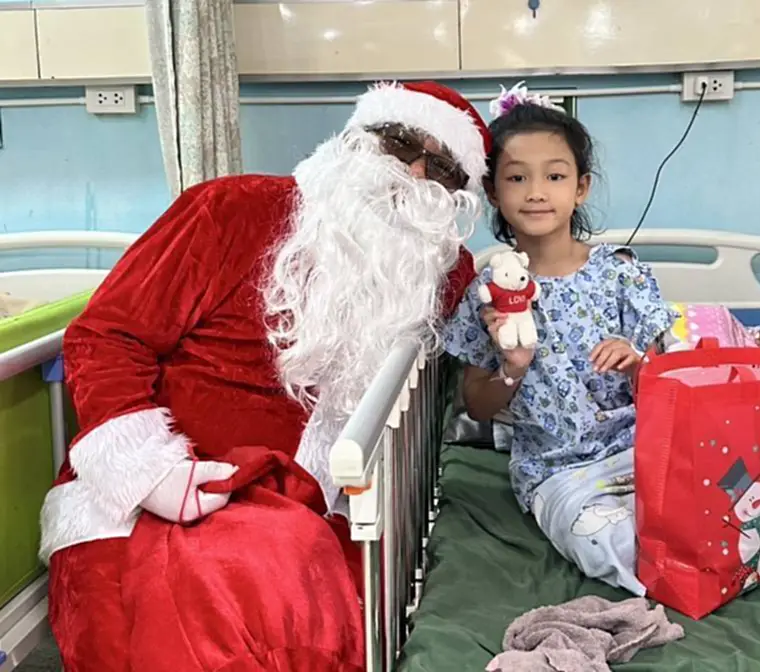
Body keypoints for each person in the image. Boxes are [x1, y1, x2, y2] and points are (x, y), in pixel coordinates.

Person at [39, 80, 490, 671]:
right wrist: (151, 472)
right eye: (399, 141)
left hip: (312, 506)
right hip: (161, 486)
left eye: (444, 170)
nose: (413, 170)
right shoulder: (229, 209)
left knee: (310, 622)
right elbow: (105, 336)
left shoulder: (440, 271)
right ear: (357, 139)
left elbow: (479, 364)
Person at [443, 83, 677, 596]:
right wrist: (512, 368)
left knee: (724, 501)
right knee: (607, 542)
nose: (536, 192)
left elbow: (671, 383)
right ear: (493, 193)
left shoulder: (621, 274)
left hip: (645, 449)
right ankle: (670, 579)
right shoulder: (486, 295)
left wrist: (638, 364)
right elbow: (476, 405)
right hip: (559, 471)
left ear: (581, 187)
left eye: (554, 176)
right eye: (516, 177)